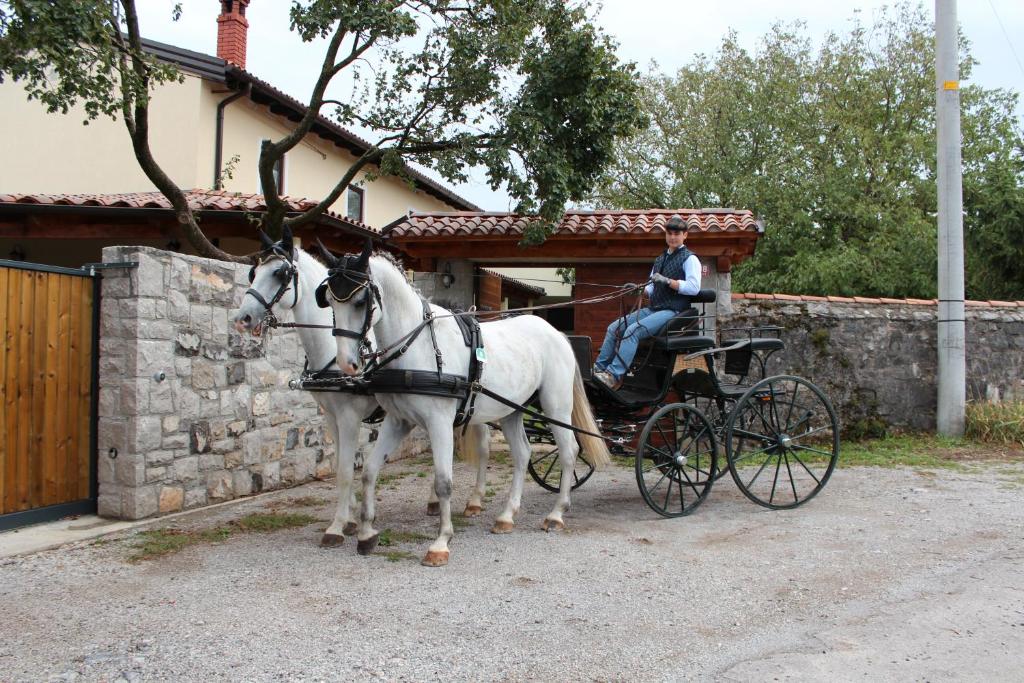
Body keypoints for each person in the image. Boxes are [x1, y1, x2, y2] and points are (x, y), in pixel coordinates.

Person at [593, 216, 702, 390]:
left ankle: (612, 376)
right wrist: (638, 289)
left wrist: (668, 281)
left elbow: (694, 287)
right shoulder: (659, 260)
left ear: (685, 235)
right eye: (669, 233)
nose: (673, 237)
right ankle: (598, 370)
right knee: (614, 328)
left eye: (677, 233)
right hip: (653, 309)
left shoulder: (690, 259)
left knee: (632, 331)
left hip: (673, 311)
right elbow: (651, 288)